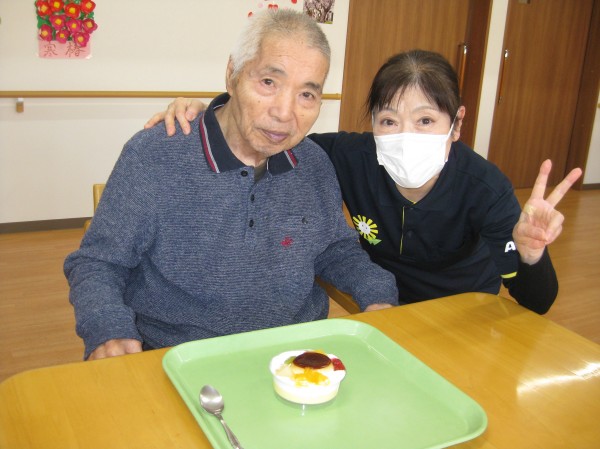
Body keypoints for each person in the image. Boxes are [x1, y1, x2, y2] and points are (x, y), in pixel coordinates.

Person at [64, 9, 398, 361]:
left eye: (306, 95)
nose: (284, 113)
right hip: (180, 356)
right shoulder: (155, 155)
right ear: (232, 74)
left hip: (294, 357)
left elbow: (334, 250)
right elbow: (98, 262)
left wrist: (378, 294)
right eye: (268, 82)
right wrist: (108, 327)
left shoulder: (313, 163)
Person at [145, 49, 582, 314]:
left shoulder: (485, 188)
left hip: (460, 316)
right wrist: (213, 114)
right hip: (379, 309)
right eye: (388, 120)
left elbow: (537, 302)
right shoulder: (349, 156)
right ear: (372, 122)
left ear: (457, 124)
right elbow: (273, 137)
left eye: (426, 120)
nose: (405, 135)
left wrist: (531, 255)